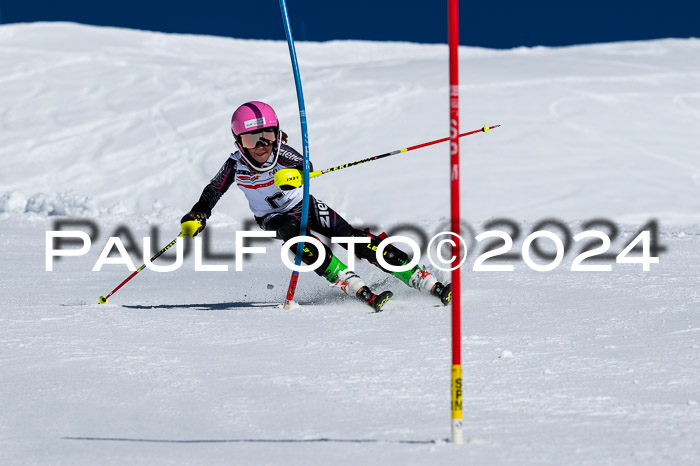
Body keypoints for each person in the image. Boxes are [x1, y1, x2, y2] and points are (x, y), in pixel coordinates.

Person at [181, 101, 451, 311]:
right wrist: (198, 213)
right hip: (273, 217)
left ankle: (423, 279)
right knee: (295, 235)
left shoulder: (281, 153)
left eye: (268, 136)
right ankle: (349, 281)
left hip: (305, 204)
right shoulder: (235, 164)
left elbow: (304, 165)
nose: (262, 145)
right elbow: (213, 190)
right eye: (252, 140)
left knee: (355, 240)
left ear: (276, 134)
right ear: (239, 141)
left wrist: (297, 175)